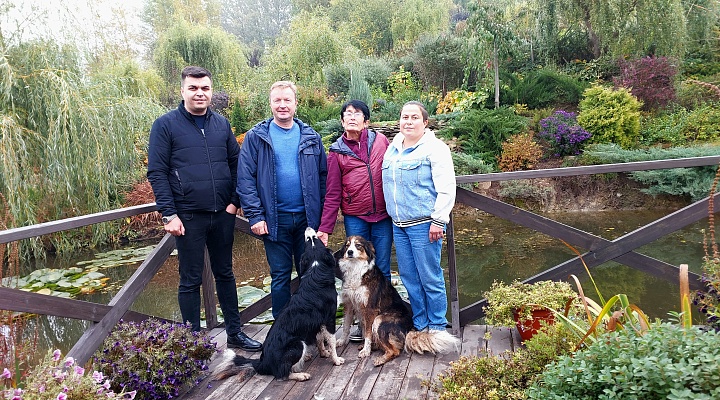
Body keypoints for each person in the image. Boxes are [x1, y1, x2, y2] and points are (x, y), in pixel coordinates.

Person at [147, 66, 262, 352]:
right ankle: (193, 343)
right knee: (190, 279)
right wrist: (169, 214)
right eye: (194, 88)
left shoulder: (221, 125)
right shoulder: (165, 125)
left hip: (222, 214)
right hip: (187, 216)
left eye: (205, 88)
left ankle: (234, 332)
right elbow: (157, 172)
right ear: (183, 91)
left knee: (226, 273)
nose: (200, 93)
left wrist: (235, 202)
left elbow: (238, 166)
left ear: (211, 91)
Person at [237, 80, 327, 319]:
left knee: (310, 276)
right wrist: (255, 216)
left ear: (296, 103)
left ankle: (310, 329)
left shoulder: (311, 137)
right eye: (277, 100)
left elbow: (323, 179)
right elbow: (245, 179)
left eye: (287, 100)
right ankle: (282, 331)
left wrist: (322, 222)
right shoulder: (256, 137)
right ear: (271, 103)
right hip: (274, 220)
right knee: (280, 277)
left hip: (307, 221)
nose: (282, 105)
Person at [381, 101, 456, 333]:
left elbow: (446, 187)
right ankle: (420, 323)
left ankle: (437, 326)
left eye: (414, 117)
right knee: (409, 278)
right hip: (399, 225)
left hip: (425, 225)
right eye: (405, 117)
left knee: (430, 278)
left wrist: (438, 220)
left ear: (425, 122)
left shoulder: (435, 148)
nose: (409, 121)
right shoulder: (393, 148)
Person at [318, 100, 392, 281]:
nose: (352, 117)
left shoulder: (381, 141)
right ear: (342, 121)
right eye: (348, 113)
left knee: (382, 268)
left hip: (383, 216)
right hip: (356, 217)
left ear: (366, 122)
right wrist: (325, 228)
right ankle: (361, 309)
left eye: (357, 113)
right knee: (357, 269)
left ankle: (384, 309)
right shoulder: (336, 152)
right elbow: (333, 193)